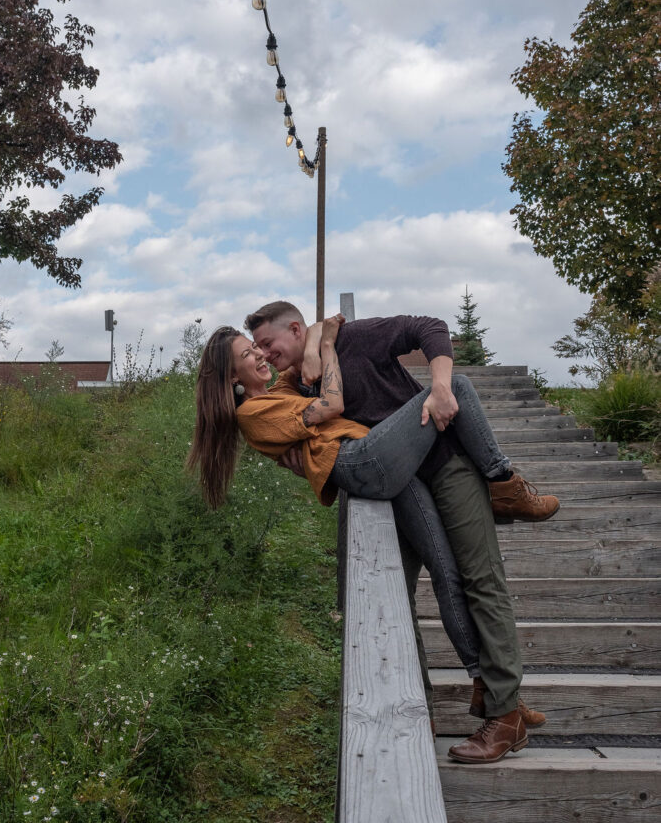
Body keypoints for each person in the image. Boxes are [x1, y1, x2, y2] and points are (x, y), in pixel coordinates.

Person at [188, 311, 553, 762]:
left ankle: (493, 692)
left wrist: (322, 337)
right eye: (250, 352)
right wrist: (323, 349)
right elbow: (332, 406)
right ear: (230, 376)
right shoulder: (252, 412)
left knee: (447, 567)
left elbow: (324, 351)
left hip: (389, 464)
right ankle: (505, 483)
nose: (262, 356)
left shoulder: (284, 386)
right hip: (365, 462)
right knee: (453, 387)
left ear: (293, 331)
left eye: (260, 345)